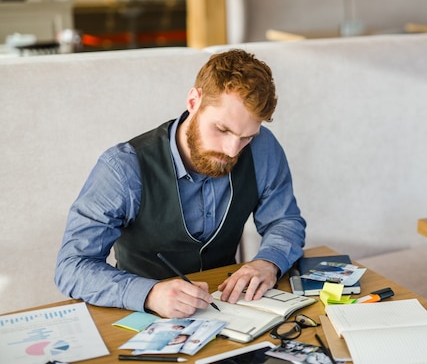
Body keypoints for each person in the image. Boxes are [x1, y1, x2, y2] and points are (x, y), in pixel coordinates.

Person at [55, 49, 306, 319]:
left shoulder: (262, 148)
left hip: (228, 312)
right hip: (141, 317)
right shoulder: (123, 168)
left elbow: (285, 220)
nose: (233, 150)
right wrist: (149, 294)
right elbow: (72, 267)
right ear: (193, 101)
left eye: (245, 137)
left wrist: (268, 262)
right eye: (222, 130)